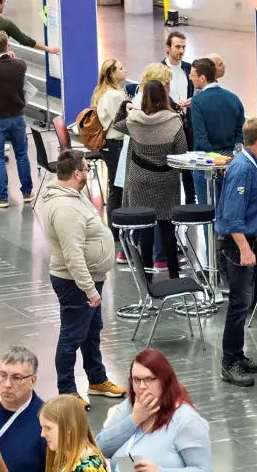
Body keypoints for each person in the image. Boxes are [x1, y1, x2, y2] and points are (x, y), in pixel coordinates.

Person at [42, 150, 124, 406]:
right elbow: (73, 255)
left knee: (91, 332)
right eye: (87, 169)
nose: (89, 173)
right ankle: (67, 391)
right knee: (71, 336)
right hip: (75, 283)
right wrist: (89, 289)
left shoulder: (75, 196)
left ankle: (97, 379)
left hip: (88, 279)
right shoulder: (65, 207)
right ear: (77, 173)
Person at [216, 117, 257, 387]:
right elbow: (231, 215)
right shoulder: (241, 168)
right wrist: (243, 249)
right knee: (239, 303)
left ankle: (238, 354)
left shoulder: (256, 162)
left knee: (244, 302)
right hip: (238, 243)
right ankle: (229, 363)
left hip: (250, 239)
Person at [114, 79, 187, 278]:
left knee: (146, 229)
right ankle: (173, 274)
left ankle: (147, 276)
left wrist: (124, 106)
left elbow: (116, 124)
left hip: (140, 179)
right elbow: (181, 152)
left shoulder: (134, 121)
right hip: (167, 180)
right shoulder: (174, 121)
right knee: (167, 228)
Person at [0, 30, 34, 208]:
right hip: (17, 117)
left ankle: (2, 197)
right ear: (8, 45)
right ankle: (27, 192)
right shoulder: (20, 65)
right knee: (22, 155)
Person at [189, 55, 245, 205]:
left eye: (192, 75)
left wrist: (216, 162)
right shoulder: (234, 98)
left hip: (207, 163)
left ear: (202, 78)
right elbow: (240, 134)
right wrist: (232, 160)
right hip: (231, 163)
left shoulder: (197, 101)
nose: (190, 78)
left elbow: (201, 138)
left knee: (207, 214)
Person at [91, 59, 130, 244]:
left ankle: (116, 226)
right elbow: (121, 121)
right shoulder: (114, 95)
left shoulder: (105, 92)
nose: (125, 70)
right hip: (116, 144)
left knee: (115, 184)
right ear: (112, 73)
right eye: (121, 68)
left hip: (111, 144)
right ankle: (115, 228)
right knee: (116, 185)